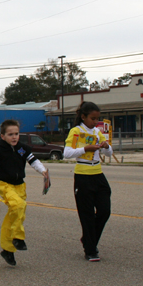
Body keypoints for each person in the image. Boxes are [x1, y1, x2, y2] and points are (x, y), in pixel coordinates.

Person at [0, 119, 49, 267]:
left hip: (20, 186)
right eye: (10, 134)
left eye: (16, 134)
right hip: (5, 185)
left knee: (16, 215)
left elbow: (33, 161)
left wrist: (43, 171)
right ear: (2, 136)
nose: (14, 137)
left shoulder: (22, 148)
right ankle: (18, 238)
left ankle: (8, 250)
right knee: (18, 205)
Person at [62, 102, 113, 262]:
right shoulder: (76, 131)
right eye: (92, 118)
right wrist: (85, 149)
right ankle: (90, 249)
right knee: (87, 215)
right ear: (83, 117)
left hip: (98, 173)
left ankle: (88, 238)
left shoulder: (98, 132)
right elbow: (67, 153)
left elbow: (109, 152)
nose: (95, 122)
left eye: (97, 119)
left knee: (104, 211)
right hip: (83, 174)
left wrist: (105, 146)